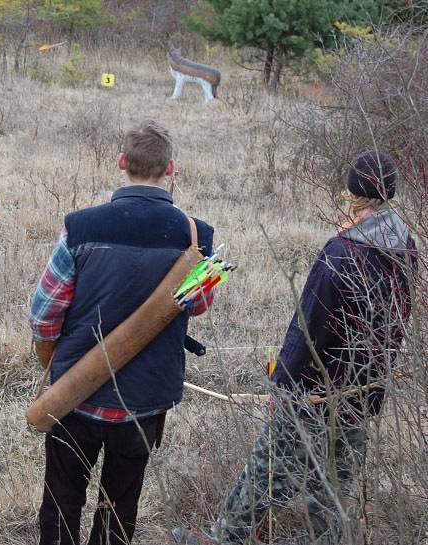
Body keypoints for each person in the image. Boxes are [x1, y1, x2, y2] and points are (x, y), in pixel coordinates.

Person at [209, 151, 415, 544]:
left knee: (267, 470)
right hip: (363, 388)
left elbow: (307, 331)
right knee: (336, 482)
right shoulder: (405, 246)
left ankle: (222, 539)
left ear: (352, 190)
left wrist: (282, 386)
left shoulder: (342, 253)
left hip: (313, 394)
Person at [29, 120, 215, 545]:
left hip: (77, 394)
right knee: (120, 505)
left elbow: (42, 316)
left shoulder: (81, 226)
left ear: (120, 163)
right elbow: (200, 305)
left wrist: (64, 363)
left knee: (61, 498)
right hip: (146, 401)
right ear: (171, 170)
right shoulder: (199, 237)